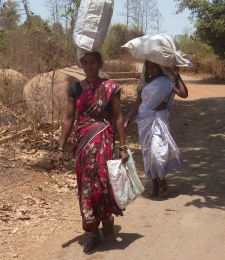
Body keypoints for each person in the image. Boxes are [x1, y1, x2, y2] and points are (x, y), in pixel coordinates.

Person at [56, 51, 129, 252]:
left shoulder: (109, 87)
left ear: (100, 64)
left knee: (101, 183)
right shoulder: (75, 89)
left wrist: (123, 146)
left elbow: (118, 117)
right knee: (86, 185)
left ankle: (106, 217)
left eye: (92, 62)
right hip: (82, 143)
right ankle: (94, 232)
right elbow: (69, 119)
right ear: (81, 64)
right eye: (85, 62)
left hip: (103, 140)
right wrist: (61, 147)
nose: (89, 66)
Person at [124, 60, 188, 198]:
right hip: (144, 121)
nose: (152, 70)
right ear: (146, 69)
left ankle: (161, 178)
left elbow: (183, 94)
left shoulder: (166, 81)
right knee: (147, 153)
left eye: (154, 67)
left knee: (157, 151)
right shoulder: (144, 84)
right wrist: (128, 120)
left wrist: (177, 76)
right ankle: (156, 186)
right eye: (149, 67)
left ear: (160, 67)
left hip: (159, 120)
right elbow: (137, 103)